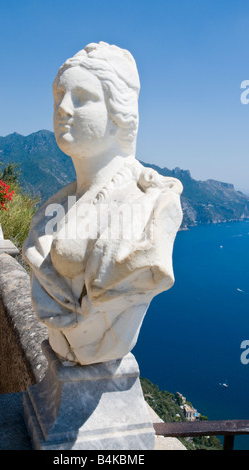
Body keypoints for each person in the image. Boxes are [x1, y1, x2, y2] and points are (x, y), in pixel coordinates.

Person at [23, 42, 183, 365]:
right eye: (59, 97)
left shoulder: (151, 203)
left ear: (118, 115)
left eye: (82, 98)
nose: (63, 108)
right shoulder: (52, 211)